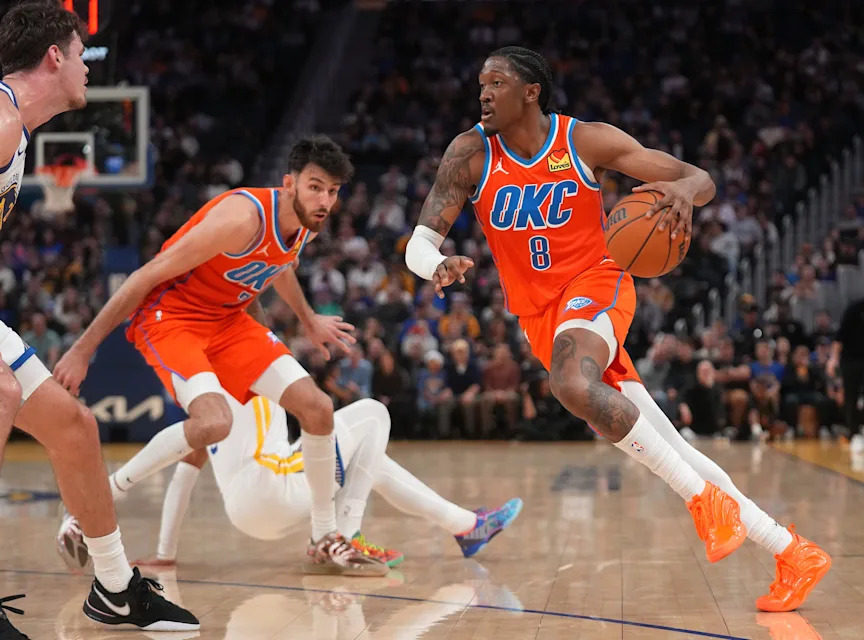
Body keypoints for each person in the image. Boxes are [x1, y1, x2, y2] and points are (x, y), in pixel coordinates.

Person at [404, 46, 830, 612]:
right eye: (481, 82)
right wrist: (437, 266)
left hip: (597, 282)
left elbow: (696, 176)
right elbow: (417, 243)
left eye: (497, 82)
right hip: (539, 316)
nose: (483, 92)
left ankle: (705, 503)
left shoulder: (585, 141)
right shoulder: (469, 153)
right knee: (669, 445)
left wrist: (683, 192)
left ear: (530, 92)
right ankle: (794, 552)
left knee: (572, 386)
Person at [53, 135, 379, 577]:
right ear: (289, 184)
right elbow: (146, 275)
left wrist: (307, 319)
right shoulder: (240, 219)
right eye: (315, 187)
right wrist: (82, 349)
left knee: (318, 409)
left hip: (227, 320)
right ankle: (90, 504)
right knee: (213, 423)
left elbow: (279, 267)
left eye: (333, 191)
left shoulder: (304, 224)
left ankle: (324, 536)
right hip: (172, 318)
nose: (324, 200)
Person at [0, 2, 197, 634]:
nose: (88, 67)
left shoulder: (18, 127)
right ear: (54, 56)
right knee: (1, 392)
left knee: (76, 430)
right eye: (82, 54)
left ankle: (115, 589)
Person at [108, 395, 522, 570]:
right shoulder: (249, 360)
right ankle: (343, 531)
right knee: (373, 413)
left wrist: (166, 554)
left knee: (366, 458)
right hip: (273, 485)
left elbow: (184, 472)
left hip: (247, 514)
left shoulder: (205, 400)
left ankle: (467, 527)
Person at [827, 274, 864, 448]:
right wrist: (833, 359)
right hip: (850, 359)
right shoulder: (855, 309)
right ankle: (853, 431)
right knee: (850, 395)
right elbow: (840, 337)